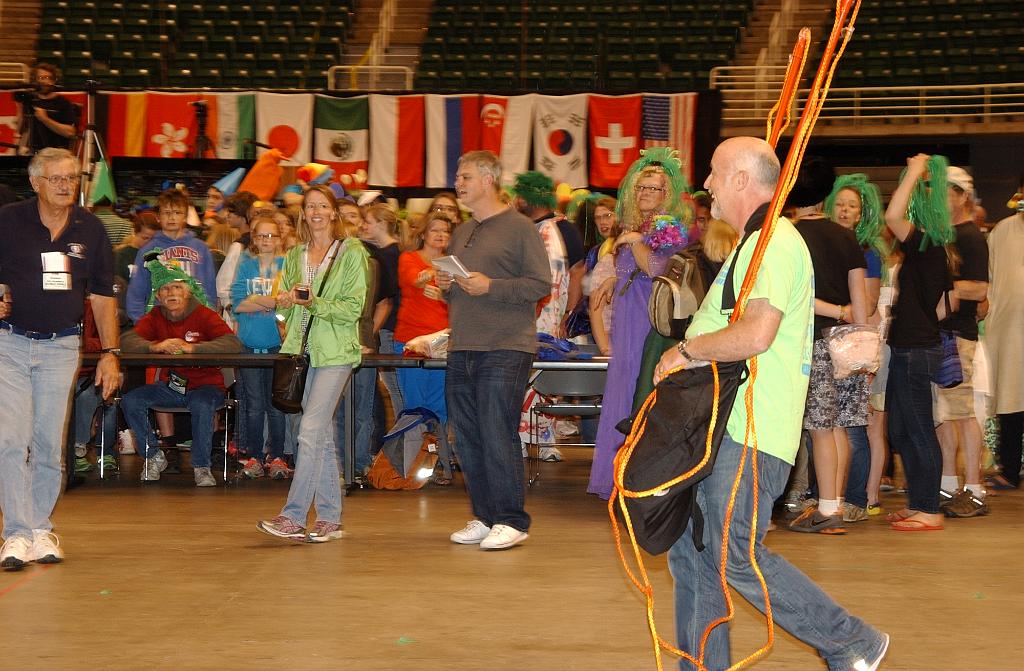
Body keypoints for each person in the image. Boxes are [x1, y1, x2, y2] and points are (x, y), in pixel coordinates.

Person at [653, 136, 888, 671]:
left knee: (733, 556)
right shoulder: (751, 244)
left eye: (713, 172)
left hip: (750, 430)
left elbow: (756, 334)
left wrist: (685, 351)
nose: (705, 184)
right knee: (693, 556)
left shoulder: (774, 243)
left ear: (740, 178)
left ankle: (850, 641)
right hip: (726, 429)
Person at [0, 148, 119, 570]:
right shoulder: (8, 220)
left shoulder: (92, 228)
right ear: (35, 183)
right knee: (12, 440)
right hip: (9, 344)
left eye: (71, 178)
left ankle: (38, 528)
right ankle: (15, 532)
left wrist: (110, 354)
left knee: (49, 443)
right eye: (56, 179)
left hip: (62, 346)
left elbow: (103, 296)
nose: (66, 185)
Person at [437, 150, 550, 551]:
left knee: (496, 429)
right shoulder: (463, 231)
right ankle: (486, 516)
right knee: (467, 434)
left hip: (506, 344)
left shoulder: (520, 228)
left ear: (489, 179)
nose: (458, 182)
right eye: (457, 175)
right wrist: (445, 286)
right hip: (463, 343)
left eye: (465, 175)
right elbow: (460, 289)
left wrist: (492, 287)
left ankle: (512, 519)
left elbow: (540, 284)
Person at [258, 185, 368, 543]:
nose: (316, 211)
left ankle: (293, 516)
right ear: (303, 214)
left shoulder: (351, 253)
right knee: (319, 437)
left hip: (336, 353)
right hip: (302, 353)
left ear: (334, 213)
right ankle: (331, 519)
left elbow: (353, 309)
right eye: (310, 206)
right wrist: (286, 302)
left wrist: (313, 302)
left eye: (323, 205)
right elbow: (281, 304)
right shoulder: (295, 255)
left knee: (308, 431)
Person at [588, 148, 690, 500]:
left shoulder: (669, 227)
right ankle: (617, 476)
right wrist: (610, 281)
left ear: (668, 193)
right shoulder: (635, 227)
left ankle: (639, 478)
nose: (645, 193)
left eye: (653, 188)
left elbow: (659, 271)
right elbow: (631, 273)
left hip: (649, 322)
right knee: (622, 391)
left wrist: (635, 243)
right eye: (641, 187)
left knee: (645, 391)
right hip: (627, 317)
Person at [785, 157, 869, 535]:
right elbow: (860, 297)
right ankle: (832, 503)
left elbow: (797, 297)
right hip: (847, 343)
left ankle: (829, 510)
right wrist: (862, 332)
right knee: (838, 427)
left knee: (820, 428)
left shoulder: (789, 236)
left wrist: (835, 310)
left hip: (812, 341)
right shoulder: (846, 235)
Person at [120, 258, 241, 486]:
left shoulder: (205, 314)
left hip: (206, 386)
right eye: (165, 289)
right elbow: (126, 340)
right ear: (158, 297)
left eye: (177, 287)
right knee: (131, 400)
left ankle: (201, 466)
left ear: (187, 291)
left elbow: (233, 344)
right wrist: (154, 346)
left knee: (202, 404)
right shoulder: (155, 316)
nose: (171, 293)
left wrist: (193, 348)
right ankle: (154, 455)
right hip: (171, 386)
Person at [882, 153, 955, 532]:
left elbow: (892, 217)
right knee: (900, 431)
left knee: (918, 428)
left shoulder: (926, 243)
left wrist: (912, 171)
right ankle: (919, 503)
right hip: (911, 347)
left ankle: (929, 507)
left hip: (914, 350)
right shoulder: (933, 250)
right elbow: (946, 307)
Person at [933, 166, 990, 515]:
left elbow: (980, 288)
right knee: (944, 413)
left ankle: (974, 487)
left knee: (964, 412)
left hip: (959, 335)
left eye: (945, 192)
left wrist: (942, 292)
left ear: (961, 196)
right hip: (941, 334)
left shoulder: (969, 237)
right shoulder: (943, 235)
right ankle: (949, 483)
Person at [395, 213, 454, 482]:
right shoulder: (409, 258)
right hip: (411, 342)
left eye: (445, 231)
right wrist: (430, 274)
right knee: (415, 406)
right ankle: (411, 468)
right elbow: (413, 280)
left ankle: (441, 465)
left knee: (441, 406)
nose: (440, 235)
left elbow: (461, 301)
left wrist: (444, 294)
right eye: (435, 230)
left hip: (443, 343)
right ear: (423, 233)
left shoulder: (453, 265)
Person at [231, 215, 289, 480]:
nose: (267, 241)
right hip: (249, 344)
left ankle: (276, 456)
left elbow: (290, 303)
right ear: (253, 239)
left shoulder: (287, 266)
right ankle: (253, 456)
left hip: (278, 345)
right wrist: (272, 301)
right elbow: (238, 304)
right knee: (253, 405)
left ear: (280, 238)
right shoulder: (245, 265)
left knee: (276, 405)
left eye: (272, 236)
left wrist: (258, 299)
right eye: (261, 236)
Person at [126, 188, 218, 323]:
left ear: (185, 217)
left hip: (195, 320)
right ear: (158, 217)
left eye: (177, 212)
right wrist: (142, 325)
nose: (172, 217)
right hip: (159, 321)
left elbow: (209, 290)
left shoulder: (201, 248)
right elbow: (136, 294)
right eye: (166, 213)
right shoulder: (147, 251)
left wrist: (207, 321)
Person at [984, 185, 1024, 490]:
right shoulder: (1003, 230)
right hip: (1009, 330)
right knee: (1011, 398)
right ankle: (1009, 469)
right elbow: (990, 276)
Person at [16, 63, 77, 155]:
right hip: (32, 153)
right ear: (35, 80)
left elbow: (70, 132)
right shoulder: (30, 100)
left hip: (56, 154)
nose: (45, 82)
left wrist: (45, 119)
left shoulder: (63, 103)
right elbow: (20, 129)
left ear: (54, 81)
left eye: (49, 78)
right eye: (41, 78)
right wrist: (20, 108)